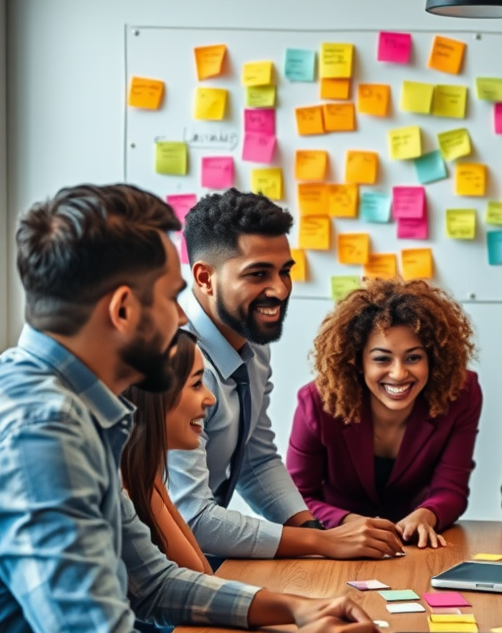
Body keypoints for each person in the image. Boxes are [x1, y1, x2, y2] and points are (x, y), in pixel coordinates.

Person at [0, 184, 377, 633]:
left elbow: (154, 583)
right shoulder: (40, 431)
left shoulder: (67, 403)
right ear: (123, 310)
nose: (181, 317)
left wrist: (294, 608)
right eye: (171, 297)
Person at [167, 189, 404, 561]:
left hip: (197, 557)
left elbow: (256, 459)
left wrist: (314, 531)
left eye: (285, 271)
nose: (279, 289)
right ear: (205, 278)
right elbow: (191, 518)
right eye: (258, 274)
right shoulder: (173, 358)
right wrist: (322, 543)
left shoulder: (252, 342)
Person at [287, 277, 482, 549]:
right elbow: (294, 499)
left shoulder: (460, 393)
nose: (399, 373)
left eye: (413, 357)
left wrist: (428, 514)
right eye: (381, 359)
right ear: (358, 360)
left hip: (415, 545)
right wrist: (348, 523)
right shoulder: (317, 402)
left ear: (432, 358)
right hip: (335, 544)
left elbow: (451, 487)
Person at [121, 329, 216, 574]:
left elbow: (201, 573)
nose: (211, 398)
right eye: (196, 384)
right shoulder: (120, 488)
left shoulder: (145, 475)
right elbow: (198, 577)